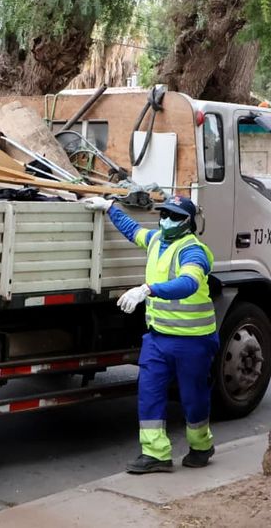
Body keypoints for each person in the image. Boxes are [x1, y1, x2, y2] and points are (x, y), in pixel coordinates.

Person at [84, 195, 218, 474]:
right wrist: (111, 208)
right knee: (150, 393)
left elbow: (188, 283)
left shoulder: (194, 251)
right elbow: (134, 231)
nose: (167, 220)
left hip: (193, 341)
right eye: (164, 214)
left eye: (175, 216)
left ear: (188, 222)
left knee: (193, 398)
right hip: (158, 338)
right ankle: (156, 454)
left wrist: (147, 290)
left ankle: (201, 446)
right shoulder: (157, 239)